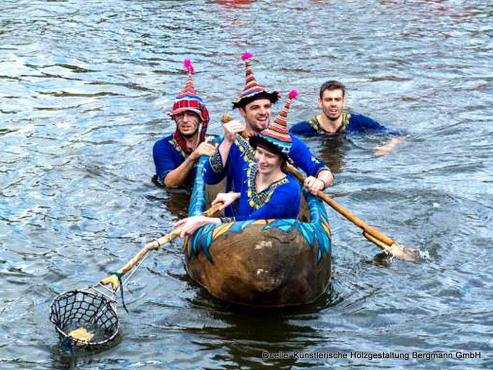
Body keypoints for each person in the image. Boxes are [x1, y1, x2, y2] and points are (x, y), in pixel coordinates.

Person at [204, 52, 333, 216]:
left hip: (277, 219)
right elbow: (210, 178)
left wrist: (319, 182)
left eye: (267, 106)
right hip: (237, 221)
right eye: (255, 107)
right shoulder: (233, 140)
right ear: (242, 111)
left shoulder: (287, 142)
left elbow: (324, 171)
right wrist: (227, 142)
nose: (263, 112)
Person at [178, 91, 302, 236]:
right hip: (240, 231)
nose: (261, 160)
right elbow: (210, 178)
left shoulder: (288, 189)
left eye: (269, 156)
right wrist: (237, 195)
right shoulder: (250, 169)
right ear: (242, 112)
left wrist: (206, 221)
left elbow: (253, 222)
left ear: (282, 159)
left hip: (273, 240)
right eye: (259, 152)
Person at [289, 80, 403, 156]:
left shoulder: (358, 122)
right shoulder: (302, 129)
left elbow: (398, 134)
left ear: (343, 102)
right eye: (328, 100)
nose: (333, 104)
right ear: (320, 102)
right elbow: (281, 143)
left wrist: (388, 146)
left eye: (337, 99)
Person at [153, 59, 216, 188]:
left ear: (201, 119)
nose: (185, 120)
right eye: (180, 115)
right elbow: (169, 183)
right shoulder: (162, 146)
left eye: (192, 115)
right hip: (174, 197)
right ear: (174, 119)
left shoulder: (214, 142)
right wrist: (194, 156)